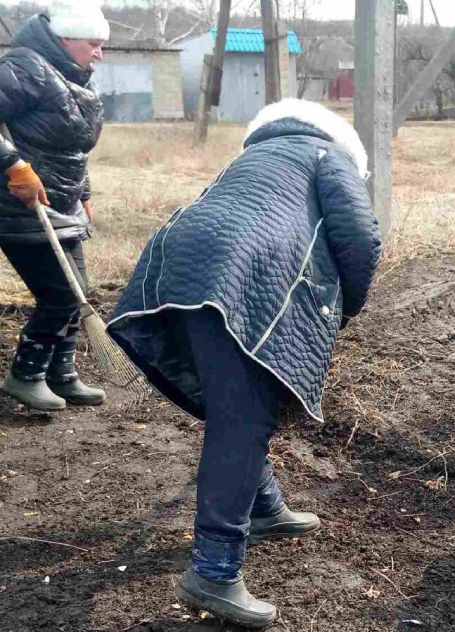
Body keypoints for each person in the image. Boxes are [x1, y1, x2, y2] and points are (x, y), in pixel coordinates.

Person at [107, 99, 383, 629]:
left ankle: (264, 507)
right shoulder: (329, 155)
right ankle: (214, 570)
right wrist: (347, 307)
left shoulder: (256, 156)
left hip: (180, 260)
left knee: (235, 404)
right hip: (241, 271)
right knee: (244, 418)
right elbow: (360, 236)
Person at [0, 0, 107, 411]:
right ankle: (25, 375)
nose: (100, 53)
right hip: (20, 206)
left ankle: (61, 374)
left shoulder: (76, 77)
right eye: (93, 44)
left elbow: (74, 148)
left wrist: (84, 192)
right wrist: (13, 166)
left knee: (80, 293)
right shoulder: (24, 67)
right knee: (61, 294)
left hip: (63, 204)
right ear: (64, 40)